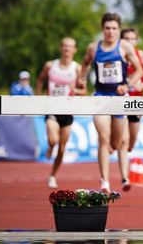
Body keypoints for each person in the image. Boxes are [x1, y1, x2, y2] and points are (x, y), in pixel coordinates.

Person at [77, 13, 143, 194]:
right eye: (107, 28)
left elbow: (139, 70)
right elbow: (85, 63)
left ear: (118, 30)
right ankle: (104, 182)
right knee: (104, 138)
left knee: (116, 142)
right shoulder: (93, 48)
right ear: (102, 29)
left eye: (114, 28)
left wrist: (127, 84)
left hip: (119, 98)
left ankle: (118, 171)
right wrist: (81, 79)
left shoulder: (125, 47)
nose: (110, 32)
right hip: (100, 96)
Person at [36, 37, 85, 188]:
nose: (67, 49)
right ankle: (51, 146)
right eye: (64, 46)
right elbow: (40, 80)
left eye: (70, 47)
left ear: (75, 50)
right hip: (52, 109)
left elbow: (84, 91)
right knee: (52, 140)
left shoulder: (77, 69)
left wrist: (73, 89)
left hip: (68, 111)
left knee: (62, 148)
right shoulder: (50, 66)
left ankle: (52, 175)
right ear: (60, 48)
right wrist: (37, 99)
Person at [120, 27, 143, 155]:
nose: (130, 42)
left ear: (136, 41)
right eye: (127, 39)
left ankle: (126, 149)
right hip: (119, 100)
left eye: (133, 39)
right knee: (122, 141)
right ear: (121, 41)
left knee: (131, 142)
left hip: (136, 101)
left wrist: (139, 86)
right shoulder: (116, 56)